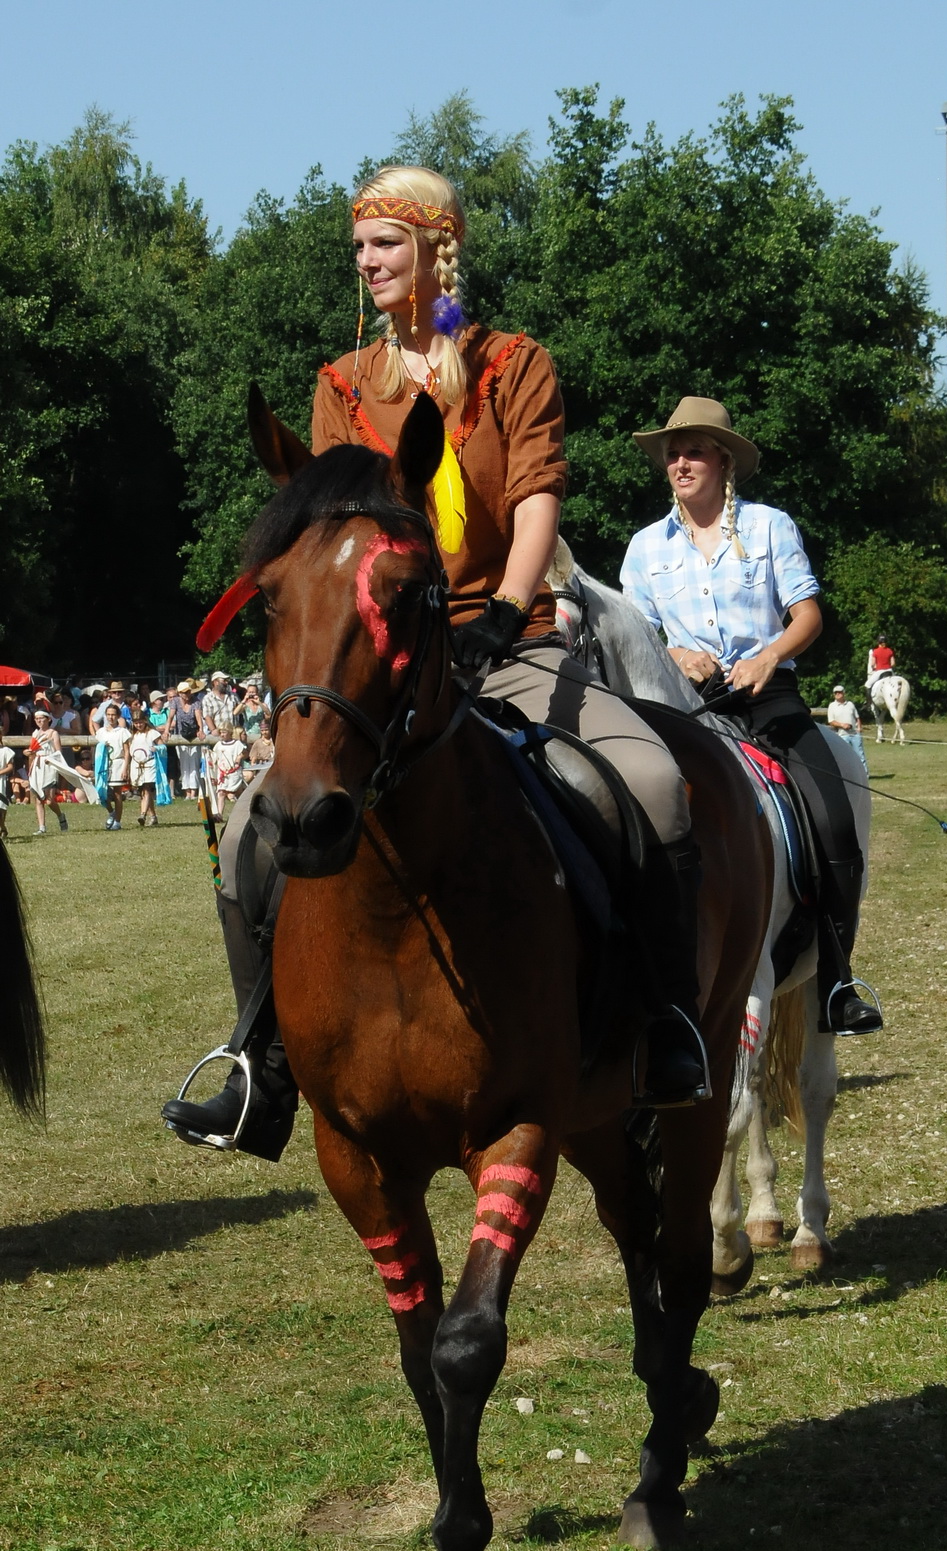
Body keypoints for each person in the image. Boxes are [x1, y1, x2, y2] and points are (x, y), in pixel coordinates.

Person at [164, 163, 709, 1161]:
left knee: (654, 781)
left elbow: (537, 493)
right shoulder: (342, 386)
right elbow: (335, 529)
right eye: (361, 246)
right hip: (385, 661)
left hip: (511, 639)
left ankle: (666, 1028)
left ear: (436, 250)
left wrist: (503, 610)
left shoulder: (513, 363)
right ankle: (265, 1067)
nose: (368, 262)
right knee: (251, 833)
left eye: (386, 244)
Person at [621, 396, 881, 1038]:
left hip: (766, 696)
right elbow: (634, 629)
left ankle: (836, 980)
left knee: (832, 814)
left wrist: (769, 657)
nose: (680, 462)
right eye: (672, 453)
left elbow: (809, 616)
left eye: (695, 451)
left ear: (724, 460)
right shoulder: (644, 548)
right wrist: (674, 651)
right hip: (684, 707)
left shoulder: (770, 527)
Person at [27, 709, 68, 835]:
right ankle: (42, 827)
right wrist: (29, 754)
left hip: (49, 765)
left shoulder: (53, 733)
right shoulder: (35, 734)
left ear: (48, 719)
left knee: (49, 799)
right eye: (37, 719)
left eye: (42, 718)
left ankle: (61, 816)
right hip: (37, 765)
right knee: (39, 798)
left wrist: (51, 760)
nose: (39, 721)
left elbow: (58, 752)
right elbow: (32, 750)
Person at [95, 701, 132, 829]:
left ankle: (117, 821)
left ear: (118, 716)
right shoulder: (101, 732)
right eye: (109, 714)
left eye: (113, 715)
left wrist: (125, 768)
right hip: (105, 764)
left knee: (117, 793)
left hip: (118, 762)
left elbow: (127, 751)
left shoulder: (122, 732)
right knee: (101, 792)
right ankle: (111, 812)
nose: (111, 717)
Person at [129, 712, 163, 827]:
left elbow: (162, 746)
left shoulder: (152, 733)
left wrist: (157, 748)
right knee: (143, 791)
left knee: (147, 789)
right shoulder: (133, 735)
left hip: (149, 764)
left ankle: (142, 814)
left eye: (140, 722)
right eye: (136, 723)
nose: (138, 725)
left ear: (145, 721)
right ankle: (153, 816)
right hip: (137, 765)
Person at [171, 681, 203, 799]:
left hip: (194, 734)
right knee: (184, 764)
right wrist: (166, 730)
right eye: (184, 692)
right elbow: (171, 716)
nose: (187, 694)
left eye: (188, 691)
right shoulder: (174, 702)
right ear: (180, 693)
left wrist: (201, 729)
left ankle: (194, 791)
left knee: (194, 762)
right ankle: (187, 791)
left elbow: (198, 717)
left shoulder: (196, 702)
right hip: (180, 734)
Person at [209, 721, 247, 815]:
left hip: (234, 773)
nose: (222, 735)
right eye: (221, 732)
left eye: (224, 732)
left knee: (236, 792)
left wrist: (239, 757)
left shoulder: (237, 744)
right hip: (222, 773)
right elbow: (214, 757)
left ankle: (243, 812)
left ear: (230, 732)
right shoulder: (218, 745)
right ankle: (219, 814)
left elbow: (245, 752)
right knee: (221, 793)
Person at [826, 684, 868, 769]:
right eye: (836, 693)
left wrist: (859, 728)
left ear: (843, 693)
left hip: (855, 734)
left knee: (860, 756)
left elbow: (857, 717)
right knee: (845, 757)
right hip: (842, 735)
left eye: (839, 692)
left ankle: (865, 775)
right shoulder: (832, 706)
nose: (837, 694)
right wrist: (842, 725)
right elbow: (831, 721)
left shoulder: (850, 704)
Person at [200, 672, 234, 740]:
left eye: (226, 680)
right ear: (216, 682)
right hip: (219, 734)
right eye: (224, 680)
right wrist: (213, 730)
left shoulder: (233, 695)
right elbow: (207, 716)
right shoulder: (208, 698)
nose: (226, 683)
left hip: (233, 733)